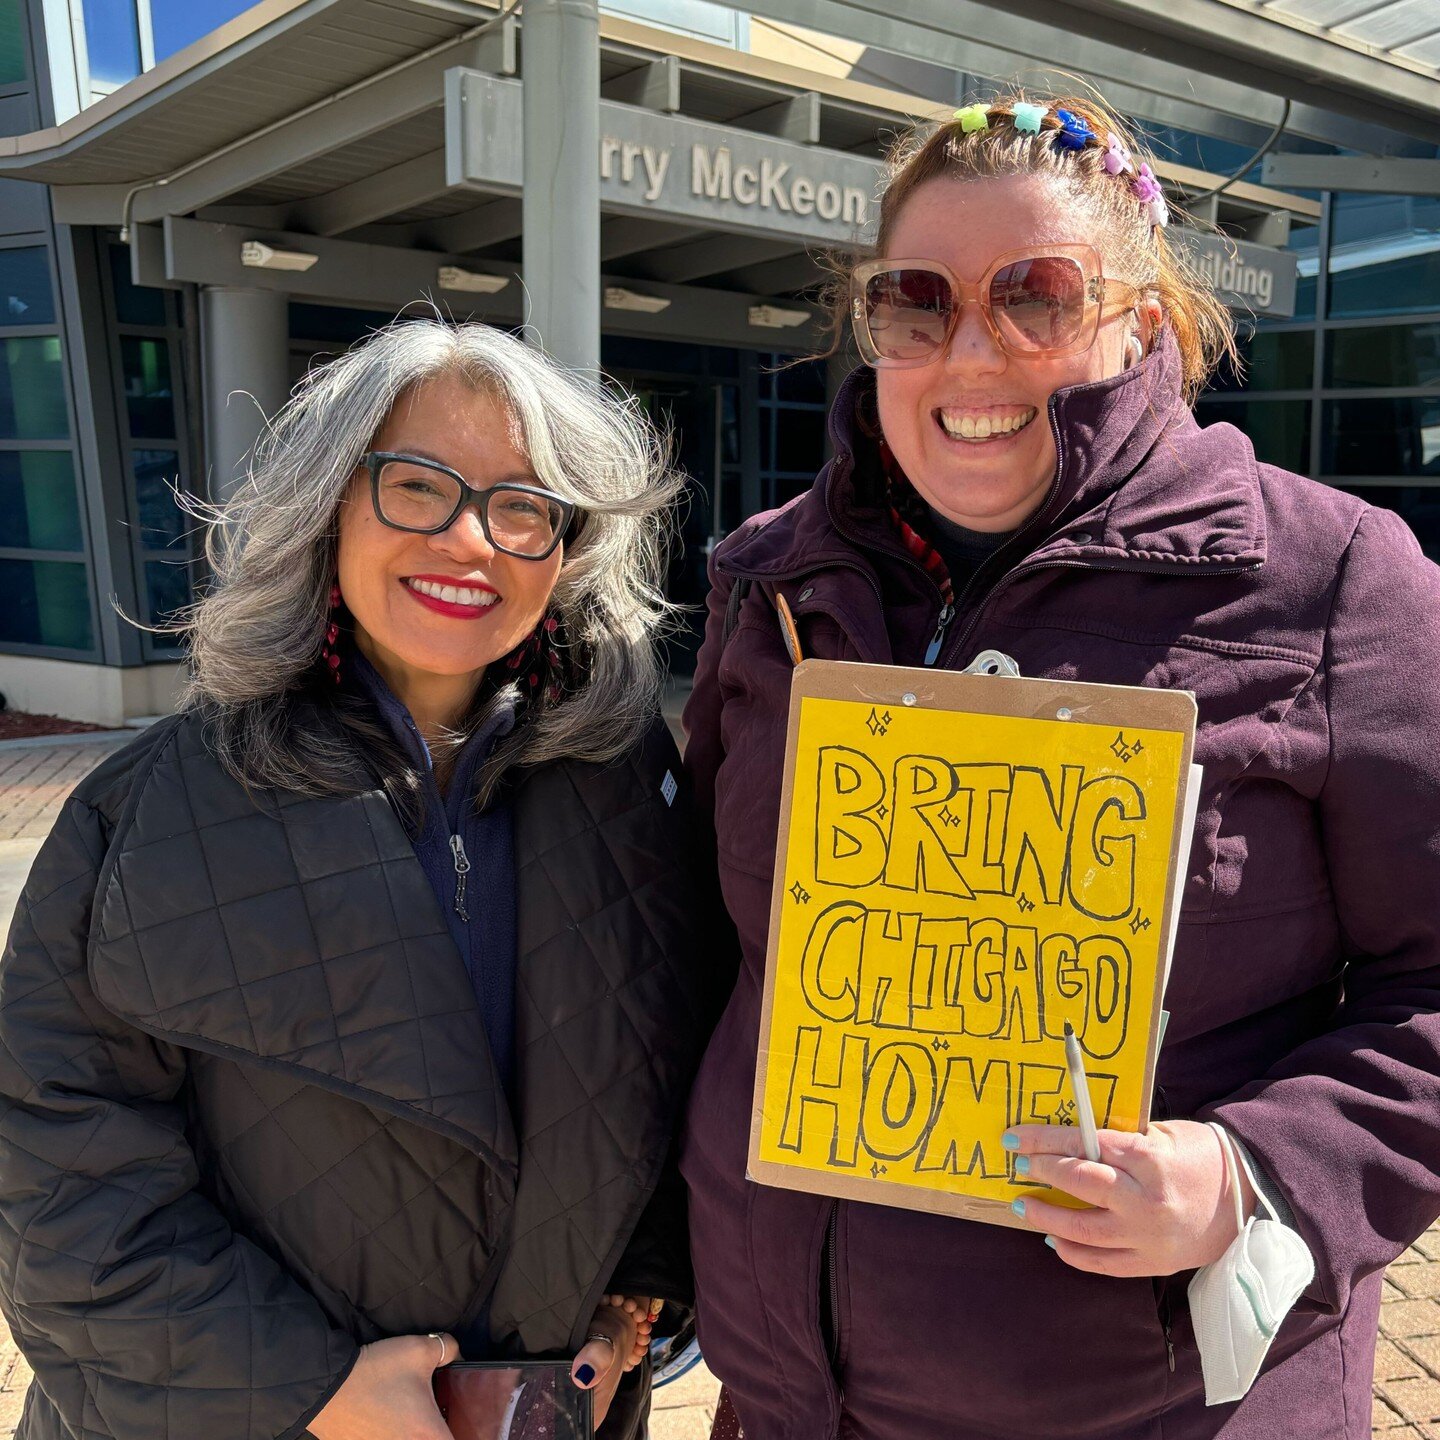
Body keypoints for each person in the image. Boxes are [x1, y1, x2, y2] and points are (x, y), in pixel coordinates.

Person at [680, 91, 1440, 1438]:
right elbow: (696, 961)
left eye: (1037, 296)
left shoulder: (1332, 582)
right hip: (792, 1403)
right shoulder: (772, 578)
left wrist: (1251, 1178)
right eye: (918, 303)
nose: (972, 355)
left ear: (1140, 324)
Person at [0, 319, 722, 1440]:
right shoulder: (150, 809)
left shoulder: (628, 790)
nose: (470, 539)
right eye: (416, 485)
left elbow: (678, 1078)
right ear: (328, 503)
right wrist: (315, 1390)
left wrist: (636, 1297)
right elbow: (59, 1188)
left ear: (568, 549)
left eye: (523, 505)